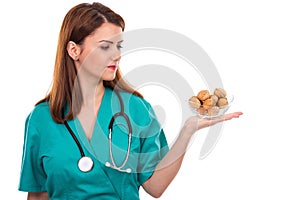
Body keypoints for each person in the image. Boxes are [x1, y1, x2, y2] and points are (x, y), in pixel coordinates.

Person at [18, 2, 243, 199]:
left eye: (119, 46)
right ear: (74, 50)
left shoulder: (136, 109)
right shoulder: (41, 118)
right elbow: (38, 195)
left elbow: (155, 187)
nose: (116, 55)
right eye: (105, 46)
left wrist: (188, 131)